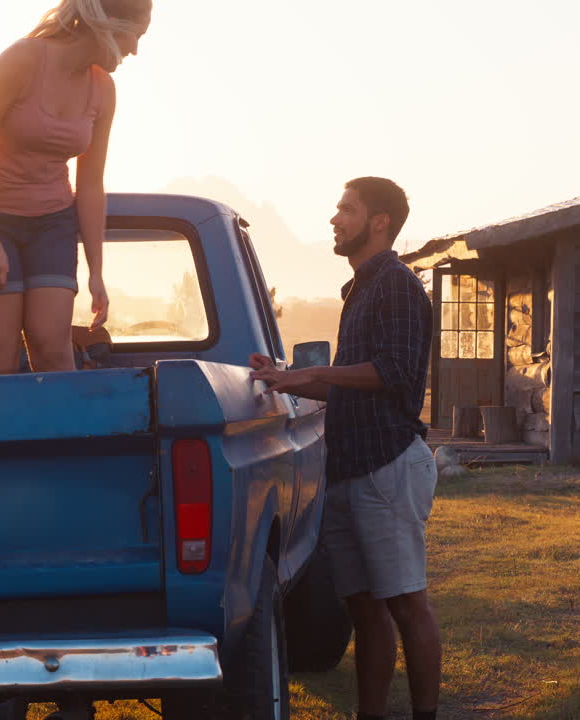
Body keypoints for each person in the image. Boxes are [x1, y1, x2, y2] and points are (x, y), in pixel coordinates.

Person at [251, 177, 440, 720]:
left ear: (379, 221)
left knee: (406, 604)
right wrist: (284, 378)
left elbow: (394, 372)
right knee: (364, 610)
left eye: (346, 209)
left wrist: (312, 371)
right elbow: (342, 383)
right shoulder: (359, 289)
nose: (334, 218)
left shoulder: (397, 285)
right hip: (349, 470)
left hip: (387, 465)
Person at [0, 0, 150, 376]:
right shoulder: (23, 60)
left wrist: (96, 272)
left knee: (53, 348)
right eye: (135, 36)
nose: (135, 49)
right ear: (107, 24)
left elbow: (90, 186)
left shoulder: (103, 89)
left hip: (52, 222)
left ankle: (64, 435)